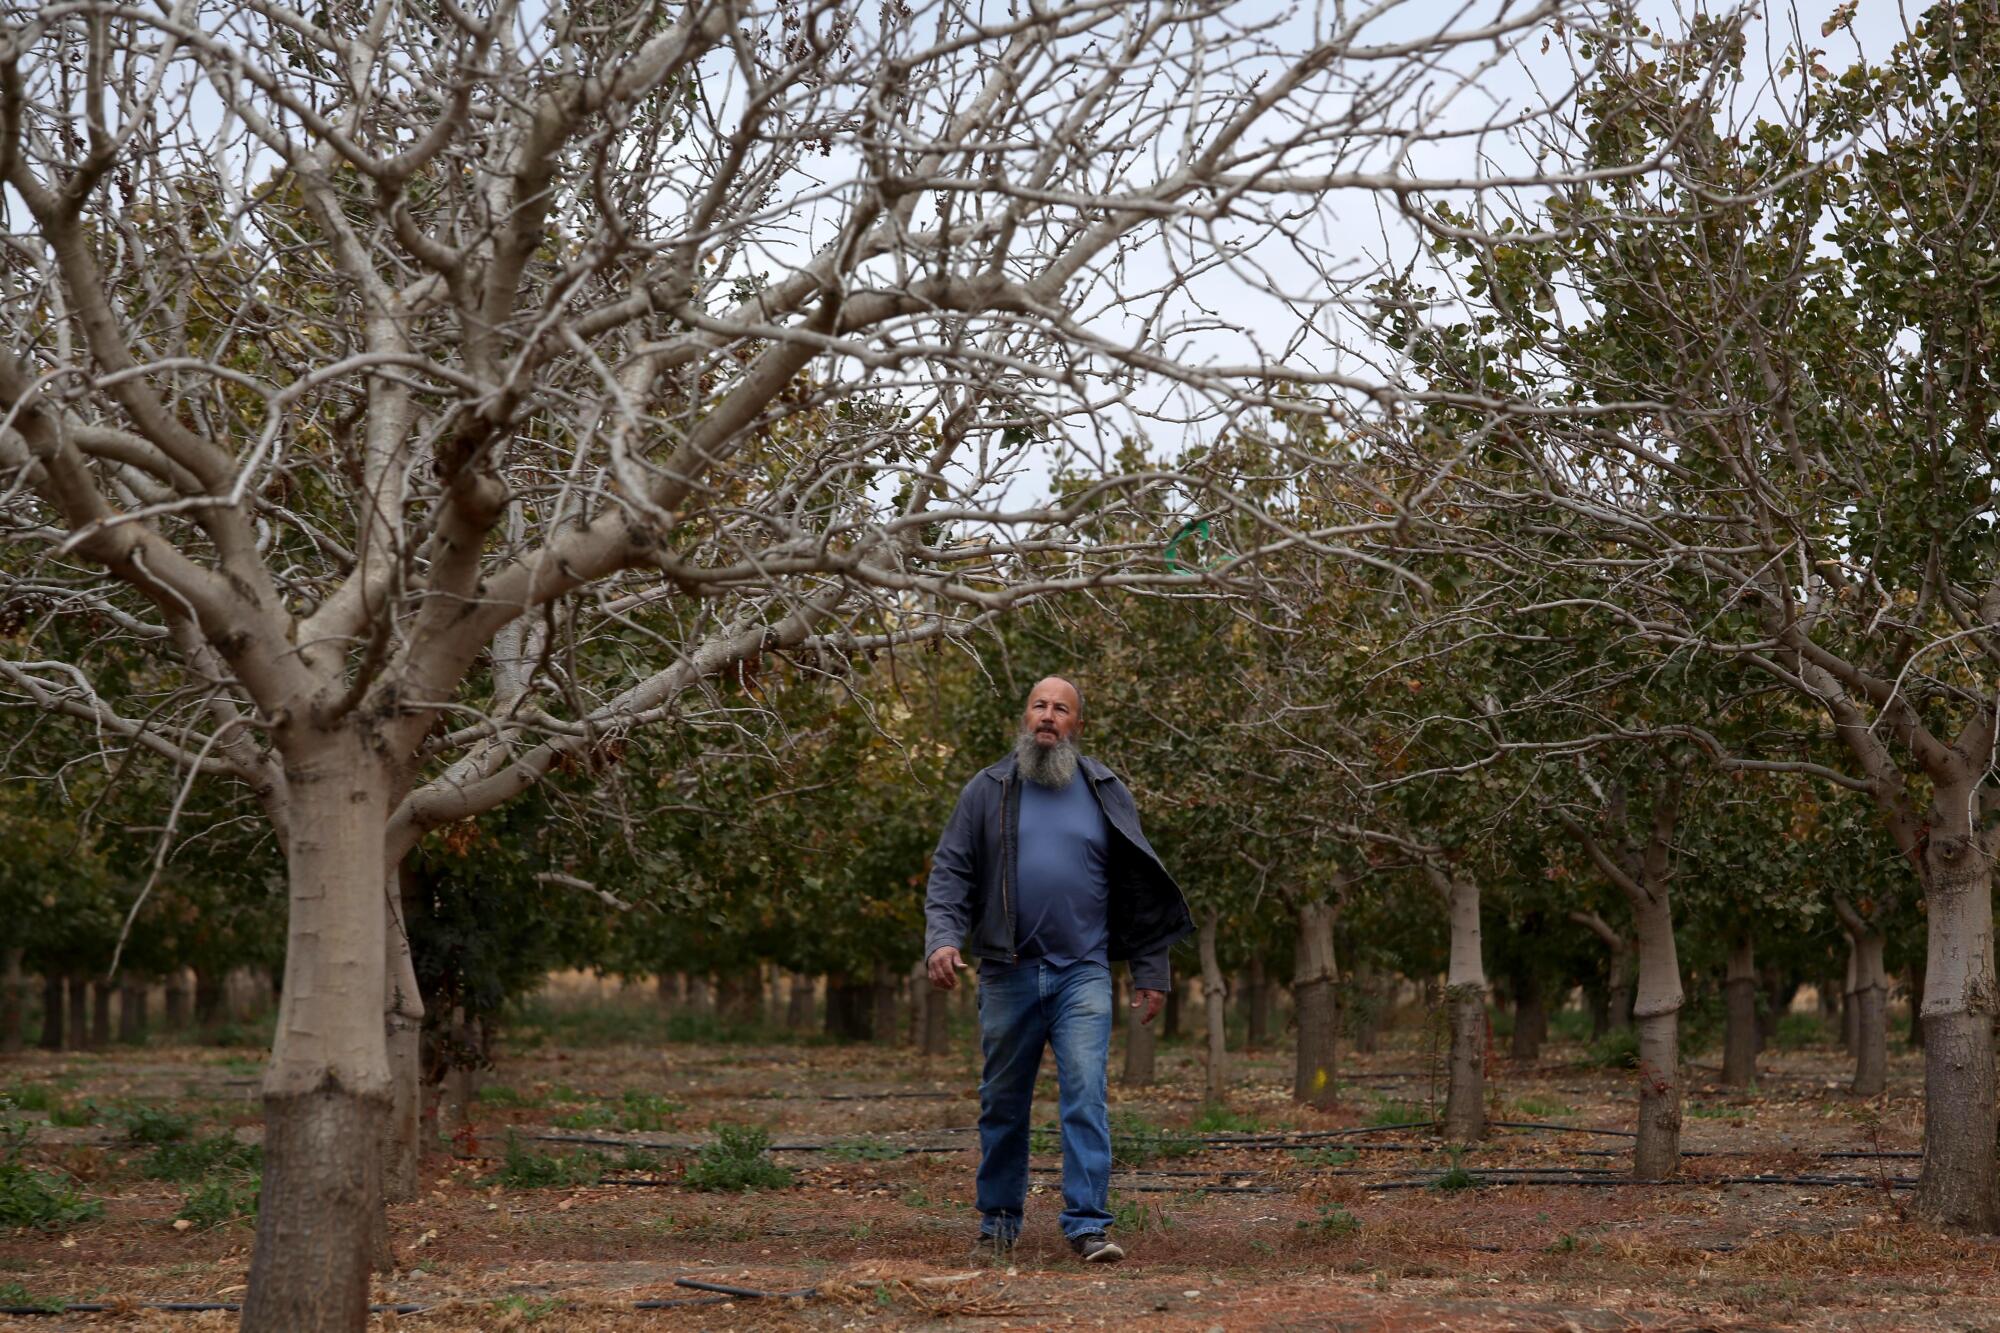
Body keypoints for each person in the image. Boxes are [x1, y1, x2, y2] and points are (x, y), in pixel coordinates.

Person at [923, 675, 1194, 1263]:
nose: (1048, 716)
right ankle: (998, 1223)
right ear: (1025, 717)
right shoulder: (987, 788)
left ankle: (1088, 1225)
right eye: (1040, 706)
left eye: (1061, 709)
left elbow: (1139, 885)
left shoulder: (1105, 791)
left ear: (1077, 724)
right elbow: (951, 872)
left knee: (1084, 1096)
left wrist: (1151, 969)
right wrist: (942, 939)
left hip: (1083, 972)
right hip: (1006, 971)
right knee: (1003, 1101)